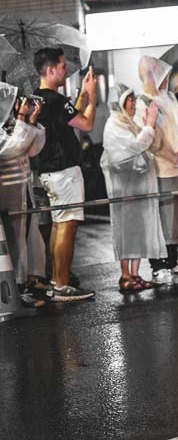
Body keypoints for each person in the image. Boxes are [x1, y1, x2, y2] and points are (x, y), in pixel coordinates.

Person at [33, 47, 97, 302]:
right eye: (61, 66)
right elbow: (86, 123)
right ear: (50, 70)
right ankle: (61, 284)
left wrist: (82, 94)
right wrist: (92, 98)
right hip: (64, 171)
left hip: (49, 170)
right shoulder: (55, 100)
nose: (65, 69)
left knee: (59, 224)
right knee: (67, 225)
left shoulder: (39, 98)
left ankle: (57, 280)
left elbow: (70, 116)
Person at [101, 85, 165, 292]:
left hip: (138, 186)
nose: (133, 103)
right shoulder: (113, 125)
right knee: (125, 229)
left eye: (133, 99)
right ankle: (125, 274)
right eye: (129, 99)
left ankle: (136, 273)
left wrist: (148, 126)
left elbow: (148, 145)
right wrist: (149, 126)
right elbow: (135, 147)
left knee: (138, 228)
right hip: (124, 188)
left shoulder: (129, 123)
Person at [136, 56, 178, 284]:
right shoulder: (143, 101)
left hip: (176, 166)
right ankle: (158, 264)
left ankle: (172, 257)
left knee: (176, 216)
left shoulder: (168, 99)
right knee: (159, 217)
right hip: (158, 168)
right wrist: (173, 155)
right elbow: (152, 139)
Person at [0, 86, 47, 307]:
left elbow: (33, 148)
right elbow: (13, 148)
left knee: (22, 241)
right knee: (12, 244)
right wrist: (21, 119)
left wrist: (32, 121)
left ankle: (22, 287)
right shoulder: (4, 130)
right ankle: (14, 291)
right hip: (6, 197)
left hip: (22, 193)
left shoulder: (10, 126)